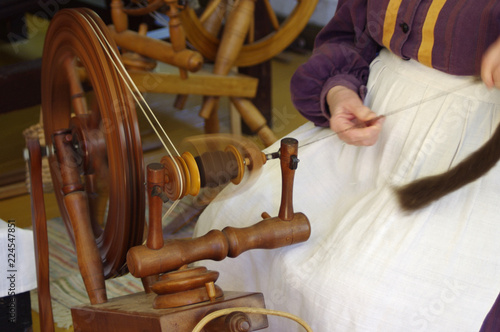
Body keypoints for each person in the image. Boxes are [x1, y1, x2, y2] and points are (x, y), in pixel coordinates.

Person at [193, 1, 500, 331]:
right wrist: (339, 90)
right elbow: (348, 32)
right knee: (230, 225)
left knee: (352, 299)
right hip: (373, 112)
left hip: (472, 143)